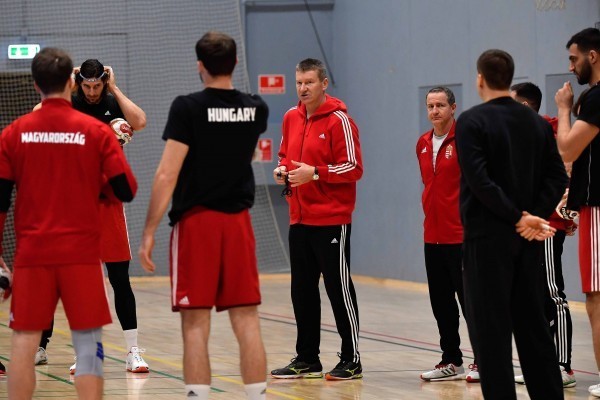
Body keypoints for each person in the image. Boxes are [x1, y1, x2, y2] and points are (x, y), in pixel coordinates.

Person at [138, 31, 268, 400]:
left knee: (195, 323)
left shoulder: (188, 108)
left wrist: (149, 230)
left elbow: (167, 174)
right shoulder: (256, 108)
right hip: (239, 223)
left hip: (197, 223)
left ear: (200, 66)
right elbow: (245, 151)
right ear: (235, 63)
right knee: (247, 320)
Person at [2, 47, 137, 399]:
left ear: (35, 85)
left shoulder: (15, 133)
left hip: (34, 253)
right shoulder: (94, 132)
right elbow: (127, 188)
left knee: (23, 347)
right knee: (89, 347)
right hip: (80, 252)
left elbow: (1, 201)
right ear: (71, 82)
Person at [455, 49, 568, 400]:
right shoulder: (537, 123)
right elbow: (557, 177)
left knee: (491, 335)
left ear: (480, 79)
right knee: (534, 329)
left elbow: (480, 181)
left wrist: (519, 217)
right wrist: (533, 217)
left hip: (487, 239)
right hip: (527, 240)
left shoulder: (471, 122)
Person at [34, 58, 149, 374]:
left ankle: (133, 352)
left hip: (108, 203)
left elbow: (140, 121)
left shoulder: (112, 100)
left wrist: (115, 88)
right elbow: (37, 114)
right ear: (79, 82)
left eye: (98, 85)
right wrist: (67, 87)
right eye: (88, 85)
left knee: (120, 279)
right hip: (73, 206)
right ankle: (78, 351)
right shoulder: (69, 101)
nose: (93, 91)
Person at [271, 58, 364, 381]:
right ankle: (307, 357)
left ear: (324, 84)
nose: (303, 88)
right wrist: (282, 170)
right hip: (299, 218)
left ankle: (351, 358)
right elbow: (285, 156)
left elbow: (353, 167)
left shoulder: (340, 121)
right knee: (302, 291)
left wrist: (315, 173)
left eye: (309, 82)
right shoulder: (290, 117)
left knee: (338, 289)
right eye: (299, 82)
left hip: (331, 219)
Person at [510, 82, 576, 388]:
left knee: (552, 293)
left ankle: (563, 366)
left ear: (524, 107)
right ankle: (542, 364)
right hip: (525, 226)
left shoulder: (550, 130)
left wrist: (568, 212)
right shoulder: (515, 137)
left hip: (547, 226)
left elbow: (570, 166)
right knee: (533, 296)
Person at [416, 87, 478, 383]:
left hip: (461, 236)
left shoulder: (465, 140)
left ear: (453, 108)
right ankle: (451, 359)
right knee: (441, 303)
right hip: (433, 236)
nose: (435, 111)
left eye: (440, 105)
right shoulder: (422, 143)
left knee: (471, 302)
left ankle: (484, 360)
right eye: (430, 106)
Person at [554, 27, 600, 398]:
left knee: (596, 297)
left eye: (574, 58)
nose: (571, 66)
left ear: (592, 56)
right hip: (589, 203)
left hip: (598, 207)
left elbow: (567, 149)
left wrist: (563, 109)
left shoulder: (596, 98)